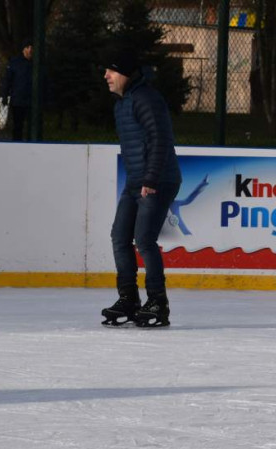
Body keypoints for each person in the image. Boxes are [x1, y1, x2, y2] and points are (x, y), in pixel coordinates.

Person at [100, 48, 182, 328]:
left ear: (125, 73)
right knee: (119, 236)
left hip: (159, 180)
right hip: (137, 181)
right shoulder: (122, 103)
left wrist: (150, 179)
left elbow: (160, 140)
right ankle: (129, 299)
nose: (106, 76)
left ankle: (158, 302)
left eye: (111, 70)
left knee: (144, 239)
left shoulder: (146, 99)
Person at [1, 40, 33, 141]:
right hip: (18, 100)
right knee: (18, 125)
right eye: (28, 47)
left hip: (31, 100)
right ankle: (17, 143)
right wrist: (5, 97)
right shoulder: (15, 63)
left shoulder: (35, 64)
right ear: (24, 49)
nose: (30, 50)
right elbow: (7, 81)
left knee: (31, 126)